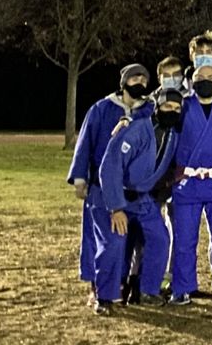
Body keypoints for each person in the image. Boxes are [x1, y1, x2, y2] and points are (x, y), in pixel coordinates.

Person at [92, 88, 182, 312]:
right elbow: (110, 166)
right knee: (114, 242)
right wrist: (116, 207)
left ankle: (148, 290)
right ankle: (104, 297)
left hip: (142, 198)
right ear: (156, 107)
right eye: (167, 106)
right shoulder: (136, 129)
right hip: (116, 196)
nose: (172, 111)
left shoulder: (172, 134)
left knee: (160, 238)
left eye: (177, 108)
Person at [69, 63, 154, 301]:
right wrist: (79, 178)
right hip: (102, 188)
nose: (140, 83)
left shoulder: (147, 112)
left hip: (135, 192)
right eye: (135, 78)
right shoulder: (102, 109)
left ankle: (130, 284)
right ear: (124, 82)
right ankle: (100, 289)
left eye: (144, 80)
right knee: (108, 240)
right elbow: (85, 142)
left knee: (137, 241)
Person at [169, 64, 212, 305]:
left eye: (211, 77)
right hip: (187, 183)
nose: (205, 81)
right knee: (184, 239)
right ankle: (182, 289)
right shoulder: (181, 107)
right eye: (200, 77)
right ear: (191, 81)